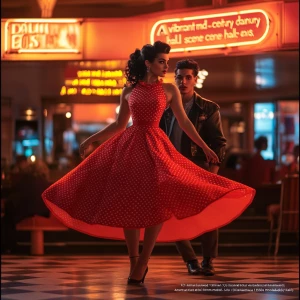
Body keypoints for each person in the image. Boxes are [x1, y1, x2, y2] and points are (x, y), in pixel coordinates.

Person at [42, 41, 255, 285]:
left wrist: (206, 147)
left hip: (156, 146)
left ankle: (144, 260)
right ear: (148, 63)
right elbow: (120, 125)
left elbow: (185, 123)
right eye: (161, 62)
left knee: (159, 201)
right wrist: (91, 140)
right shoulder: (128, 91)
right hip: (130, 146)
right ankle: (134, 262)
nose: (166, 66)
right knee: (127, 202)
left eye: (167, 62)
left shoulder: (169, 90)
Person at [160, 59, 226, 276]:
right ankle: (190, 260)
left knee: (208, 214)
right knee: (172, 216)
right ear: (174, 78)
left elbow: (218, 143)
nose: (183, 81)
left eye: (188, 77)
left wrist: (212, 174)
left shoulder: (208, 107)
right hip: (172, 168)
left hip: (199, 167)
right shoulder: (165, 107)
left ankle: (208, 260)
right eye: (179, 77)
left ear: (196, 80)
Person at [2, 160, 51, 253]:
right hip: (44, 211)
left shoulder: (26, 179)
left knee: (7, 219)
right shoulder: (45, 182)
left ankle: (8, 246)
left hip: (28, 211)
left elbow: (15, 194)